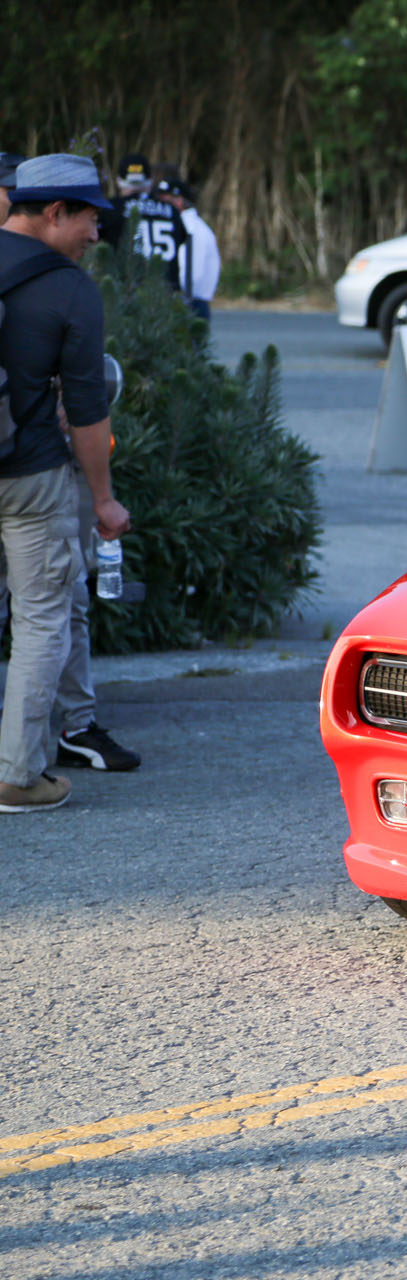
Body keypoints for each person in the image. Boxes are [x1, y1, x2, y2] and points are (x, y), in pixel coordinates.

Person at [0, 155, 134, 812]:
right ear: (55, 212)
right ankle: (19, 775)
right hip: (31, 480)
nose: (96, 233)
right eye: (90, 217)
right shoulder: (70, 289)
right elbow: (87, 410)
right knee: (42, 620)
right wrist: (103, 499)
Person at [151, 170, 219, 321]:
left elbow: (192, 276)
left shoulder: (192, 228)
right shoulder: (182, 225)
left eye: (164, 200)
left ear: (179, 201)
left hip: (190, 302)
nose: (158, 204)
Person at [120, 159, 191, 294]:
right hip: (167, 289)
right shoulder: (172, 212)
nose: (163, 198)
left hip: (133, 287)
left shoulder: (116, 207)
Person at [98, 152, 153, 248]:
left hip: (125, 262)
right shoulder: (171, 210)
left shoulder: (109, 208)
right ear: (150, 181)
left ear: (119, 181)